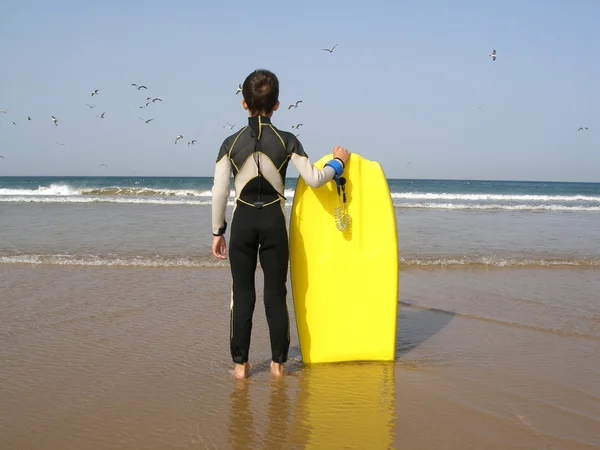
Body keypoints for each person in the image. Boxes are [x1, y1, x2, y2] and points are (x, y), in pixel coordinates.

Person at [211, 69, 350, 379]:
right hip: (274, 222)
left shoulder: (229, 144)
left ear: (243, 104)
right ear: (276, 105)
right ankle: (277, 366)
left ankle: (240, 366)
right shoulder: (287, 140)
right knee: (275, 293)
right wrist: (339, 162)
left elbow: (220, 191)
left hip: (243, 222)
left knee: (242, 293)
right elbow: (315, 179)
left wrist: (217, 231)